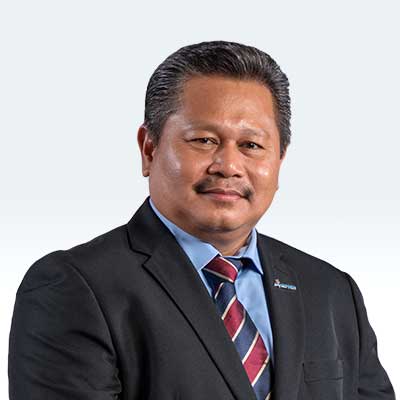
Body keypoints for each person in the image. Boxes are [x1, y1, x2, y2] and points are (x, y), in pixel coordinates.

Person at [8, 41, 395, 400]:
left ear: (279, 159)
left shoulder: (331, 291)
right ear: (149, 149)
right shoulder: (72, 288)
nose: (228, 166)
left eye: (251, 145)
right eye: (204, 140)